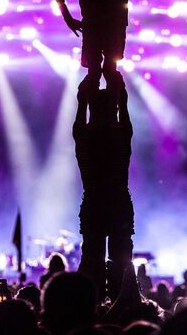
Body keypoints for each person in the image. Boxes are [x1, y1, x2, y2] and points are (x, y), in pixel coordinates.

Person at [73, 72, 134, 302]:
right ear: (116, 109)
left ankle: (90, 305)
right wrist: (113, 77)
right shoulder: (122, 134)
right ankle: (124, 305)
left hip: (94, 203)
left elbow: (81, 103)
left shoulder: (83, 135)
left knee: (92, 259)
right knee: (122, 260)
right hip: (118, 202)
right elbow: (123, 102)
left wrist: (92, 74)